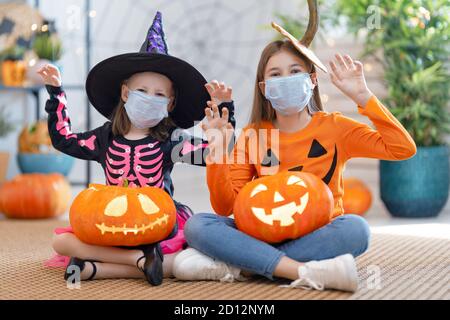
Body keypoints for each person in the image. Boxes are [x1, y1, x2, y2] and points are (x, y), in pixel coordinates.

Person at [41, 11, 235, 286]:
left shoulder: (170, 140)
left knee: (184, 255)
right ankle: (139, 261)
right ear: (124, 93)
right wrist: (56, 93)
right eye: (142, 91)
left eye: (159, 95)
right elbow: (63, 138)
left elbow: (216, 152)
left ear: (169, 104)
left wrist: (225, 112)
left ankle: (95, 267)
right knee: (60, 240)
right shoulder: (105, 138)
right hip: (112, 219)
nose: (149, 99)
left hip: (157, 224)